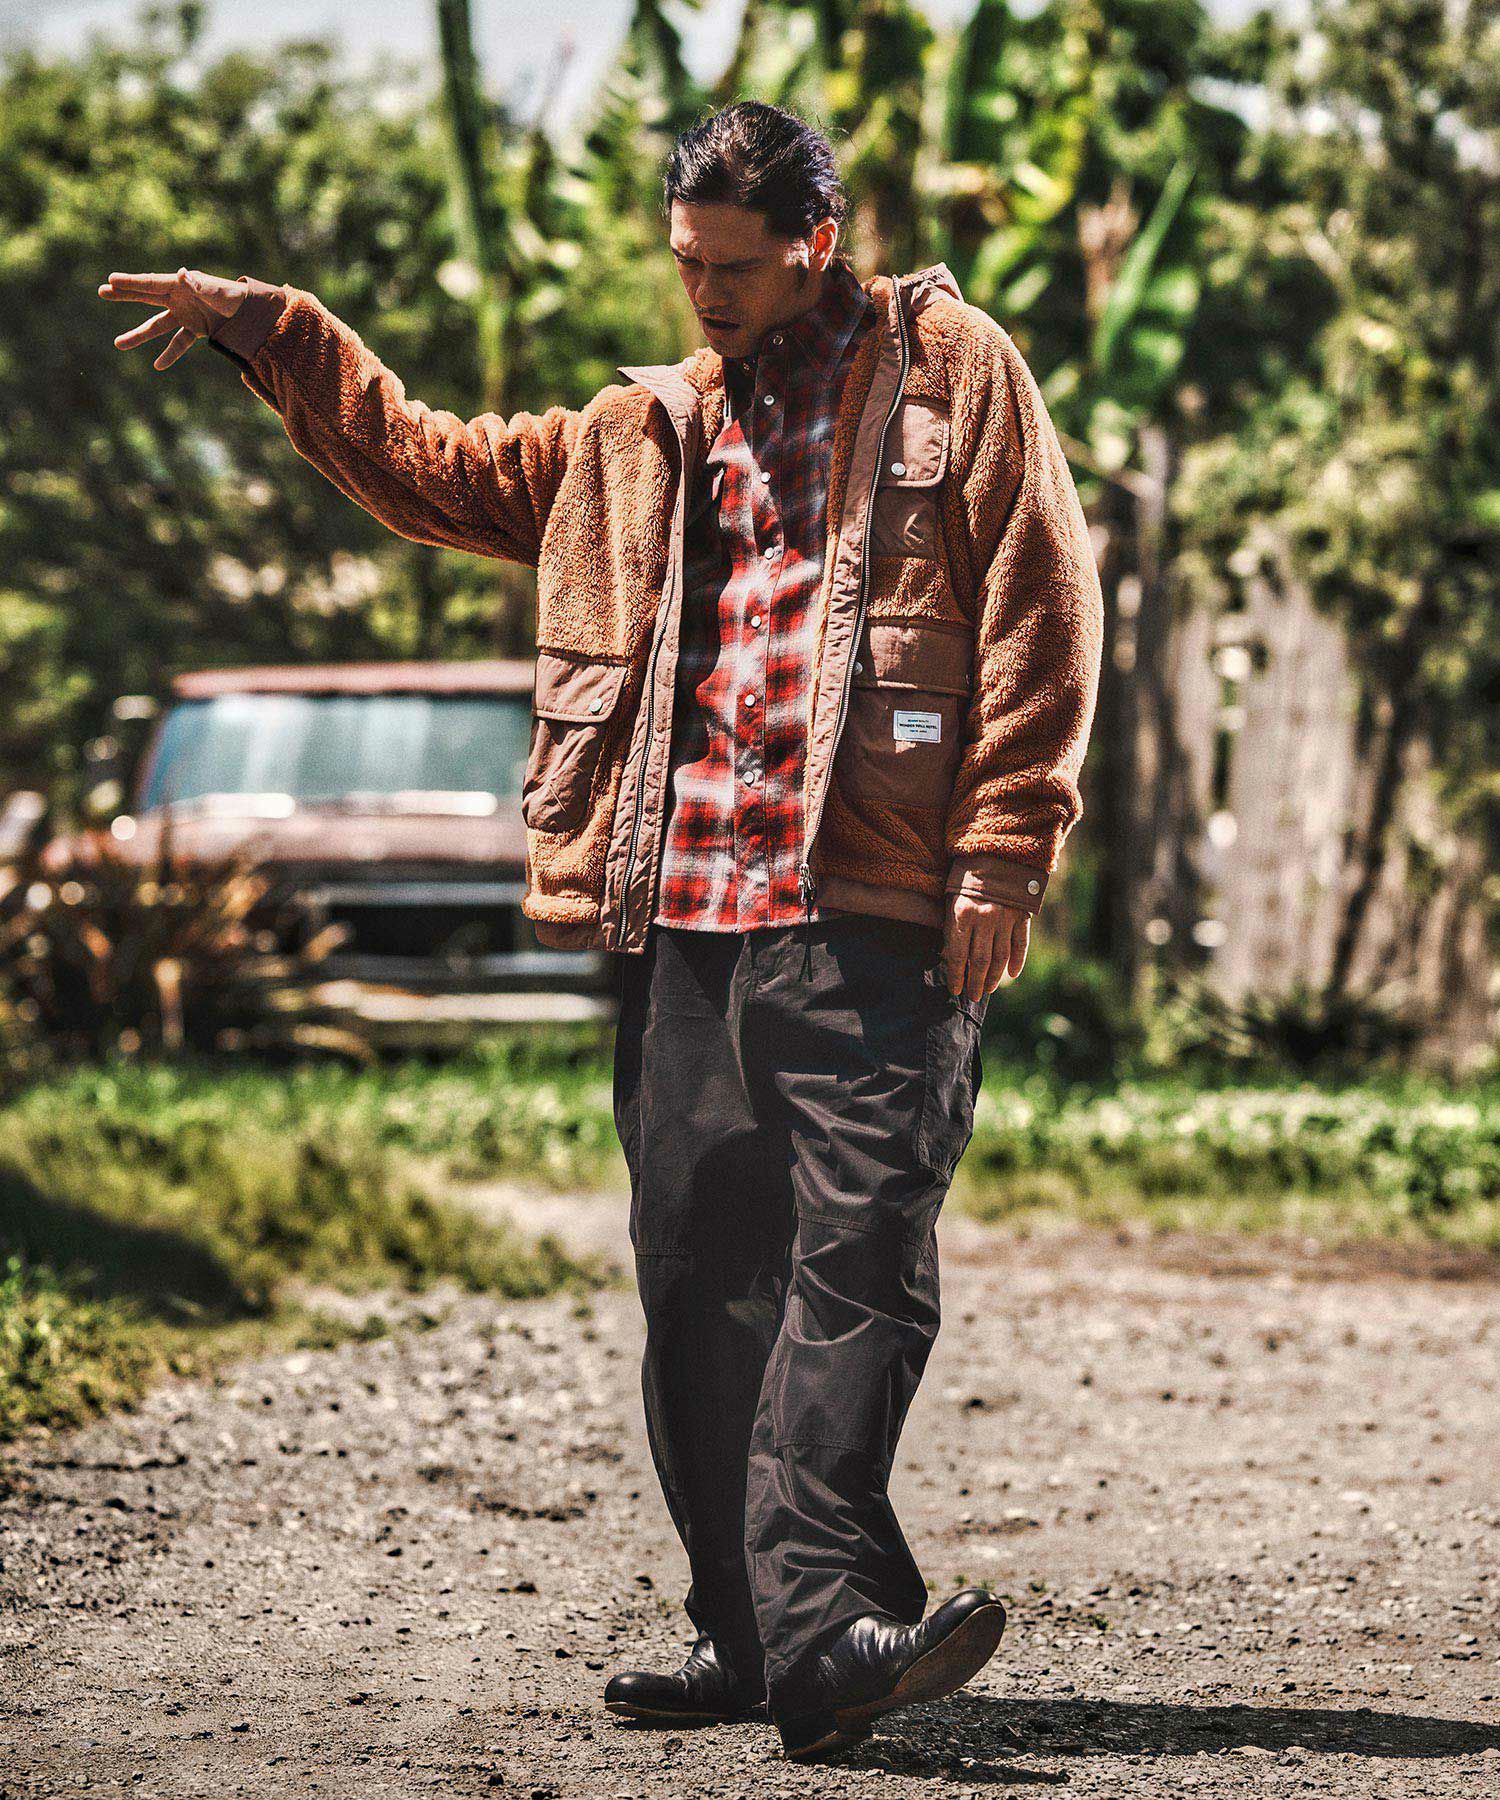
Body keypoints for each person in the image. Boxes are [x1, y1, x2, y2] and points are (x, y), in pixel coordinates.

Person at [99, 99, 1103, 1762]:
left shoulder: (950, 374)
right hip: (687, 921)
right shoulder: (641, 434)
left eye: (734, 266)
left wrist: (1003, 854)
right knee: (699, 1280)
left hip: (873, 910)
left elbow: (1040, 609)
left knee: (857, 1265)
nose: (704, 293)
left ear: (816, 244)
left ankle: (829, 1629)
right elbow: (424, 465)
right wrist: (271, 330)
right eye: (685, 263)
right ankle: (752, 1636)